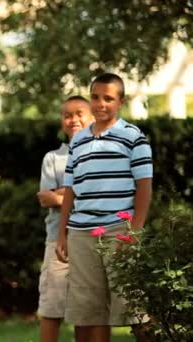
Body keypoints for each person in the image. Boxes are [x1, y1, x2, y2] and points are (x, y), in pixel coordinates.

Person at [55, 73, 153, 342]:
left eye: (108, 98)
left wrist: (134, 231)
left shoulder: (133, 137)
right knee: (90, 311)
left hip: (118, 230)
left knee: (134, 308)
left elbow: (144, 187)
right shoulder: (78, 141)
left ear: (120, 101)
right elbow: (71, 191)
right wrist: (62, 233)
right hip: (81, 234)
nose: (101, 104)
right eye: (96, 97)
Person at [36, 96, 94, 342]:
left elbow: (96, 197)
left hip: (92, 241)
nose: (73, 119)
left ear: (92, 117)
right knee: (52, 308)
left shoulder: (101, 154)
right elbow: (45, 199)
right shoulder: (53, 158)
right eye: (67, 115)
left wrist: (62, 194)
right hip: (57, 242)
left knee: (86, 311)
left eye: (79, 113)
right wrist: (76, 194)